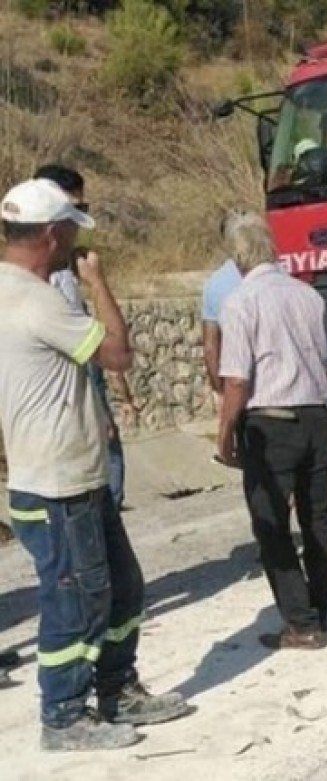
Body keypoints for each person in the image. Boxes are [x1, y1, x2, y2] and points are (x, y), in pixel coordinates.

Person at [0, 179, 191, 751]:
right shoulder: (37, 301)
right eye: (69, 235)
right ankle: (63, 716)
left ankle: (116, 687)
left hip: (65, 473)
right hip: (59, 482)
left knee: (122, 587)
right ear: (53, 234)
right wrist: (98, 283)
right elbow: (118, 353)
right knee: (76, 601)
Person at [216, 212, 327, 651]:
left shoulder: (241, 302)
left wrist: (225, 433)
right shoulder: (308, 296)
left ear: (237, 256)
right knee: (318, 522)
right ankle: (320, 606)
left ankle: (301, 621)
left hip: (270, 423)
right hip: (316, 416)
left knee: (272, 526)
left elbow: (236, 379)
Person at [37, 164, 137, 512]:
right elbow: (109, 351)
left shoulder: (51, 271)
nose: (81, 221)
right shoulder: (53, 276)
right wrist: (97, 283)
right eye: (76, 210)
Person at [202, 210, 246, 411]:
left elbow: (211, 346)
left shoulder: (214, 284)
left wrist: (218, 390)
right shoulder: (282, 274)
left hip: (236, 381)